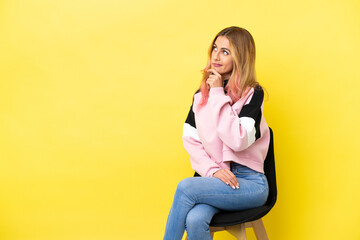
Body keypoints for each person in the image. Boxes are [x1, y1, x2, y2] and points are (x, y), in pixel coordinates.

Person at [163, 26, 271, 240]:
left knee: (185, 187)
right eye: (215, 48)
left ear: (240, 57)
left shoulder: (253, 94)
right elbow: (191, 140)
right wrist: (212, 171)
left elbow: (237, 140)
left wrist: (217, 92)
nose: (216, 55)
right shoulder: (200, 96)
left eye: (225, 52)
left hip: (251, 184)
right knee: (194, 219)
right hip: (219, 179)